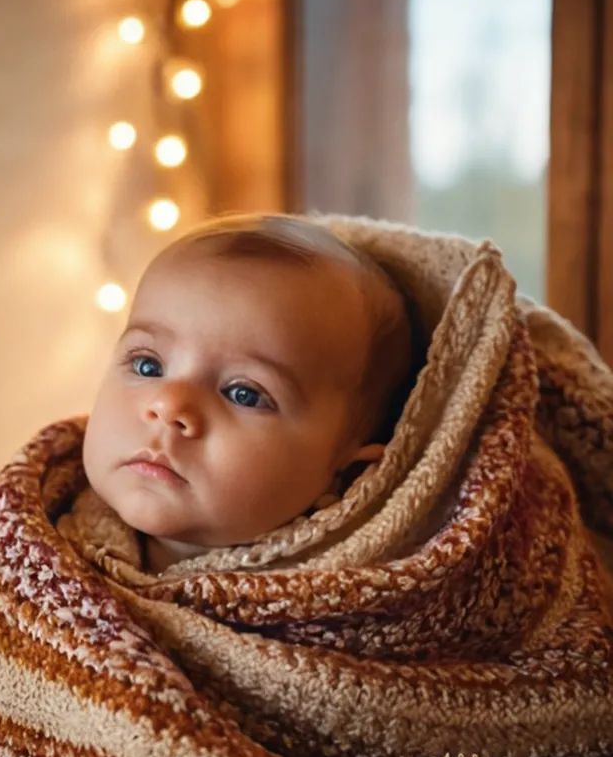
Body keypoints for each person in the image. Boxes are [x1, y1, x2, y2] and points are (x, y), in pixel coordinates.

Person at [82, 212, 421, 574]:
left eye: (243, 394)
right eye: (148, 366)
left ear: (352, 478)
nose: (168, 405)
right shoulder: (46, 524)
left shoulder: (343, 595)